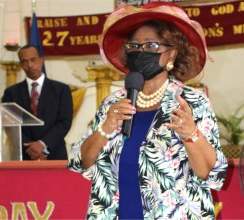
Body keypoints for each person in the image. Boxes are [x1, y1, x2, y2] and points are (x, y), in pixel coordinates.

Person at [68, 2, 227, 219]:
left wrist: (191, 134)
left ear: (171, 54)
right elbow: (80, 161)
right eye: (134, 46)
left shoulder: (191, 102)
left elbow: (210, 174)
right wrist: (104, 129)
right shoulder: (112, 104)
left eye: (151, 46)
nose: (141, 52)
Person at [2, 44, 73, 160]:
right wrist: (31, 149)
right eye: (24, 62)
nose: (29, 65)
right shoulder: (11, 93)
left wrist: (43, 145)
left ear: (41, 60)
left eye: (33, 60)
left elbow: (64, 122)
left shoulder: (61, 90)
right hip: (24, 156)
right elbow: (10, 125)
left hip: (53, 154)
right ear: (20, 65)